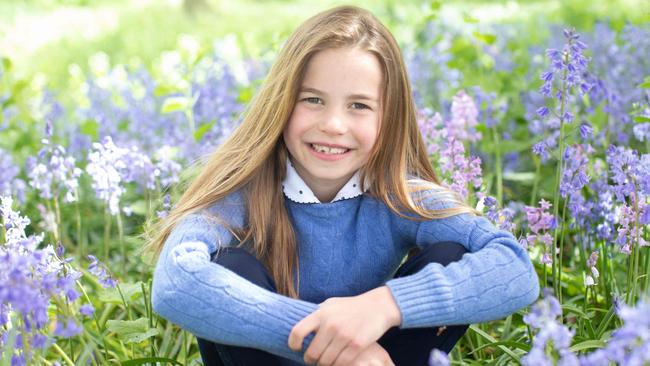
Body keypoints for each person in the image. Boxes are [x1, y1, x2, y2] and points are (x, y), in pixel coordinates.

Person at [146, 5, 540, 366]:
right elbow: (174, 283)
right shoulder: (243, 193)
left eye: (359, 105)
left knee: (453, 253)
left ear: (388, 118)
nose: (334, 124)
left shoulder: (399, 195)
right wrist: (332, 342)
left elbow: (516, 269)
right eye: (313, 100)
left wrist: (383, 306)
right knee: (229, 267)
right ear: (280, 103)